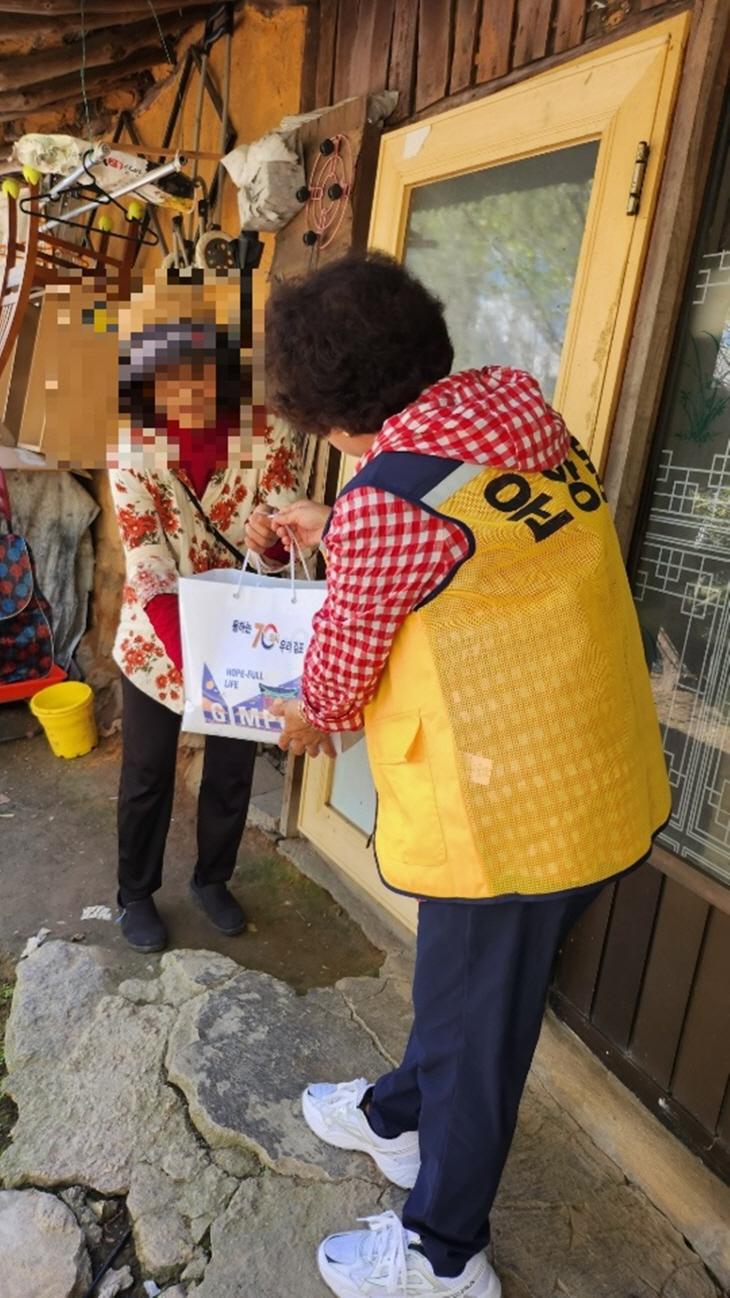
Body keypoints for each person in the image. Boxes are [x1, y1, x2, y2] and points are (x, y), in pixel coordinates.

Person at [264, 253, 671, 1298]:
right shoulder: (508, 407)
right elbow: (456, 537)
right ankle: (399, 1115)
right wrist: (344, 529)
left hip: (512, 813)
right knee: (461, 984)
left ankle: (445, 1251)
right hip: (593, 764)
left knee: (483, 1023)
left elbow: (339, 682)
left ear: (341, 421)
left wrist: (304, 715)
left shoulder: (384, 502)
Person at [110, 319, 303, 953]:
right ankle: (134, 893)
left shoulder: (268, 432)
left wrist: (270, 538)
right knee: (145, 772)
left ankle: (212, 879)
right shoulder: (131, 450)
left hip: (245, 634)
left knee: (231, 769)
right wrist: (198, 664)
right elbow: (148, 563)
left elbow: (285, 537)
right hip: (159, 642)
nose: (182, 403)